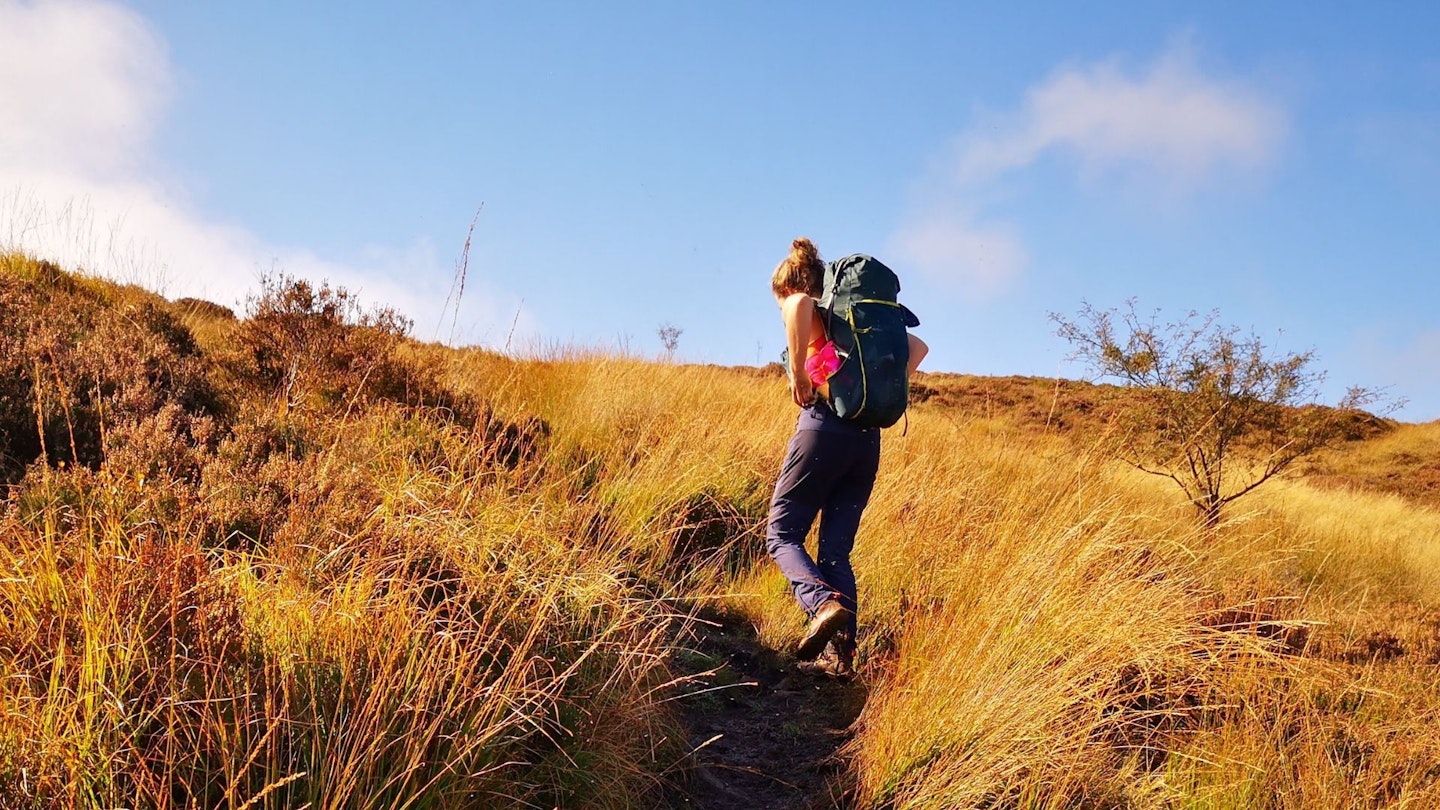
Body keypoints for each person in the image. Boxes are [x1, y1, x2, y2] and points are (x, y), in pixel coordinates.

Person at [765, 238, 927, 678]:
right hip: (866, 441)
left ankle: (820, 604)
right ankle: (840, 662)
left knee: (781, 533)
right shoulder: (856, 327)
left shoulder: (808, 307)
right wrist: (868, 385)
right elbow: (917, 347)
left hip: (823, 430)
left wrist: (800, 373)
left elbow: (797, 302)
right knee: (835, 550)